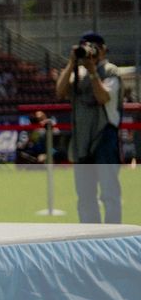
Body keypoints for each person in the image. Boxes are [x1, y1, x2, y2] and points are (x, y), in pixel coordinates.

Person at [54, 31, 125, 225]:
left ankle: (112, 239)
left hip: (104, 137)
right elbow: (60, 92)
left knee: (109, 193)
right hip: (82, 140)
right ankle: (89, 238)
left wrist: (93, 70)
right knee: (85, 196)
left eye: (94, 48)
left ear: (103, 50)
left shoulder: (111, 71)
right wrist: (71, 63)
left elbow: (103, 97)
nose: (90, 52)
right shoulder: (78, 74)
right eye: (86, 47)